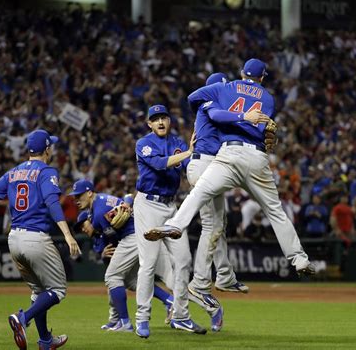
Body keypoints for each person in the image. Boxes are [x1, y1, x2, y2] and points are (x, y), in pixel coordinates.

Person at [146, 58, 315, 276]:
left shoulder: (225, 87)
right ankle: (299, 259)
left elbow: (194, 99)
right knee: (275, 211)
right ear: (262, 77)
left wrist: (215, 102)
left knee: (200, 191)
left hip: (229, 153)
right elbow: (266, 131)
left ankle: (176, 224)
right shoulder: (269, 98)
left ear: (242, 73)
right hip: (256, 157)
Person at [0, 129, 81, 350]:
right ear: (47, 149)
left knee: (39, 292)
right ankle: (23, 317)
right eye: (51, 146)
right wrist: (68, 235)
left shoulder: (13, 172)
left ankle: (45, 341)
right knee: (57, 290)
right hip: (35, 238)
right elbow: (51, 202)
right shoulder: (46, 171)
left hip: (14, 239)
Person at [134, 105, 207, 338]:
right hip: (148, 205)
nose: (160, 121)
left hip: (171, 207)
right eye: (155, 119)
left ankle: (181, 316)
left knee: (184, 260)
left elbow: (190, 168)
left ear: (169, 120)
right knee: (148, 263)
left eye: (163, 117)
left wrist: (205, 167)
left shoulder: (178, 142)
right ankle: (142, 318)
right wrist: (188, 152)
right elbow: (158, 164)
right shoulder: (143, 143)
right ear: (149, 124)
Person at [69, 180, 174, 332]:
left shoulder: (98, 214)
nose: (76, 200)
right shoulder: (102, 200)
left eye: (79, 195)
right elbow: (128, 196)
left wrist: (106, 250)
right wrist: (127, 203)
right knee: (132, 281)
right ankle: (170, 301)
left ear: (89, 192)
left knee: (112, 277)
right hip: (140, 233)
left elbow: (112, 240)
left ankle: (124, 323)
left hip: (132, 237)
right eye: (75, 197)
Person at [186, 72, 248, 305]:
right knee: (211, 225)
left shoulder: (221, 110)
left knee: (217, 225)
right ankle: (199, 282)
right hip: (204, 164)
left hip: (212, 165)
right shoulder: (209, 103)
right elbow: (218, 115)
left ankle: (224, 276)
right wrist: (244, 117)